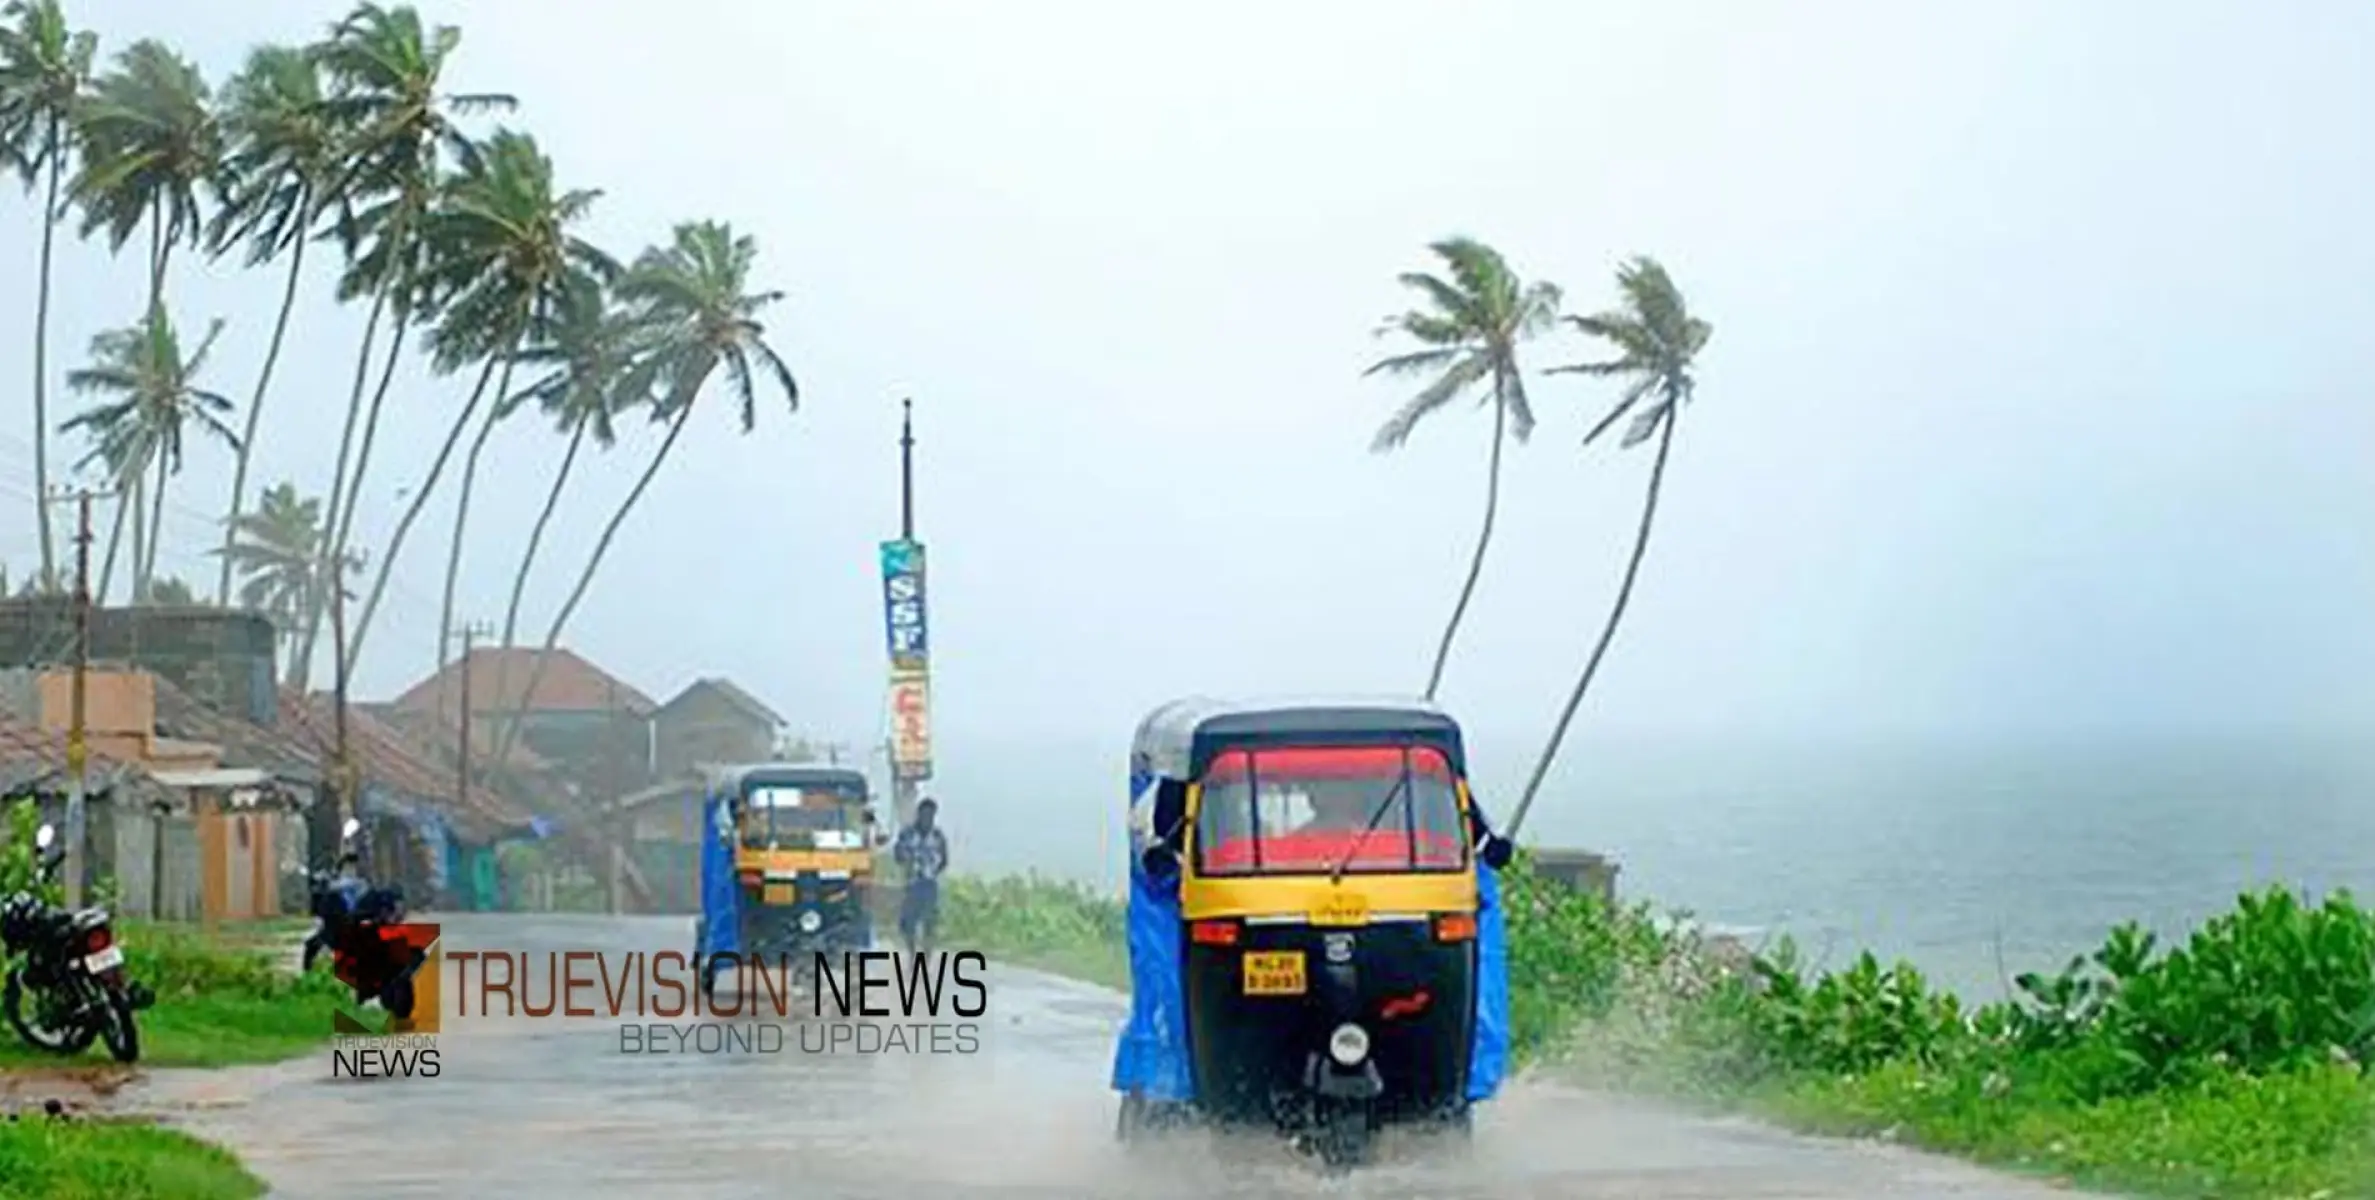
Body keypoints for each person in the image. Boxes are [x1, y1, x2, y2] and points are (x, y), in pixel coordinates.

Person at [893, 798, 950, 952]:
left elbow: (944, 859)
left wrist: (933, 871)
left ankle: (925, 957)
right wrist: (908, 862)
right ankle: (911, 952)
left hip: (930, 884)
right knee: (907, 924)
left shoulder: (938, 836)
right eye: (925, 814)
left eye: (931, 815)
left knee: (930, 924)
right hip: (912, 883)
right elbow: (897, 855)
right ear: (919, 814)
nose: (928, 818)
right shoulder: (907, 834)